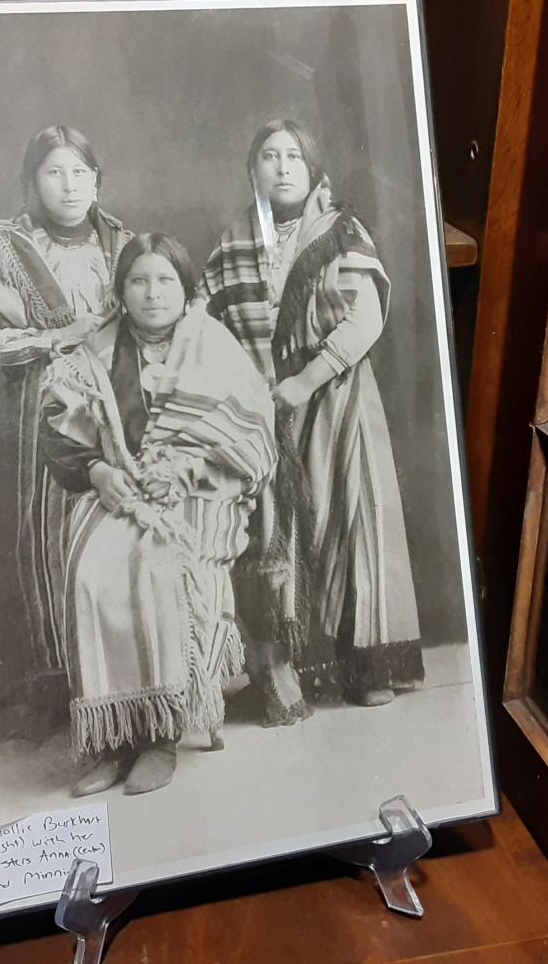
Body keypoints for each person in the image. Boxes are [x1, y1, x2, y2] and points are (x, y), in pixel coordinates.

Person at [202, 118, 423, 724]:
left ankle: (364, 667)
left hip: (335, 395)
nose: (280, 166)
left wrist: (304, 380)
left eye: (292, 155)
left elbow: (365, 320)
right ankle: (292, 669)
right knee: (282, 531)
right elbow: (207, 325)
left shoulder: (338, 232)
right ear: (254, 170)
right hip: (260, 405)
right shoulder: (233, 243)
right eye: (268, 156)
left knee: (348, 521)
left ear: (314, 168)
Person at [41, 234, 276, 796]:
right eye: (139, 281)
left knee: (158, 566)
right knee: (92, 574)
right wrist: (101, 473)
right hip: (118, 487)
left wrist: (182, 471)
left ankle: (160, 734)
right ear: (121, 291)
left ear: (185, 288)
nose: (152, 294)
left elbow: (250, 436)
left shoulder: (211, 344)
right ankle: (113, 736)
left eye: (165, 280)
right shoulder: (96, 351)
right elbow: (59, 434)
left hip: (199, 490)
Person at [0, 126, 132, 683]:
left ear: (98, 181)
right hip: (47, 415)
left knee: (127, 538)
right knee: (60, 541)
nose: (70, 186)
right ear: (33, 182)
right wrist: (53, 338)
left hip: (124, 409)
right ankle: (79, 685)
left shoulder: (124, 246)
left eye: (81, 173)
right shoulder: (8, 251)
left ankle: (139, 681)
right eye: (54, 173)